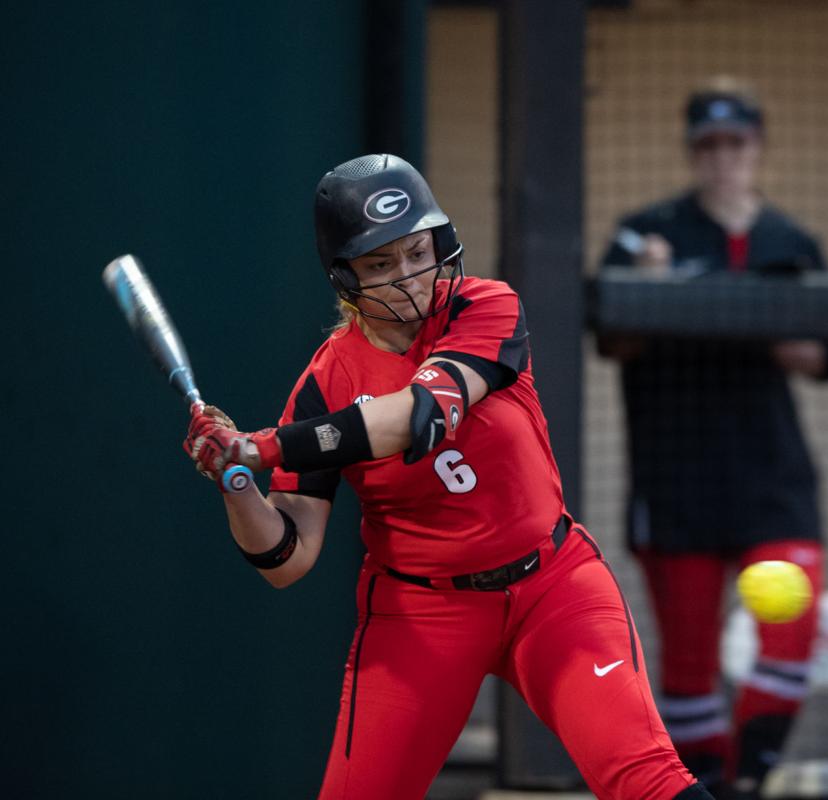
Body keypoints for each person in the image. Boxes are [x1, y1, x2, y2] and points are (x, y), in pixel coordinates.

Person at [182, 154, 715, 800]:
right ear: (345, 276)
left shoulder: (484, 306)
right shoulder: (325, 384)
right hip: (420, 612)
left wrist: (261, 446)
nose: (409, 277)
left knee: (647, 778)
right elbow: (288, 556)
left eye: (417, 251)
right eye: (380, 263)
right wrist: (237, 482)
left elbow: (424, 413)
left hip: (552, 586)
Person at [599, 78, 828, 799]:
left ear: (758, 146)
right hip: (676, 474)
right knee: (685, 663)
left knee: (791, 639)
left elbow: (825, 355)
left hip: (773, 475)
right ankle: (704, 789)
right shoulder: (644, 232)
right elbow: (614, 341)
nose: (723, 158)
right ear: (691, 152)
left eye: (735, 142)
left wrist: (755, 317)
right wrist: (651, 288)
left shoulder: (792, 242)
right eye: (708, 144)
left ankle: (751, 781)